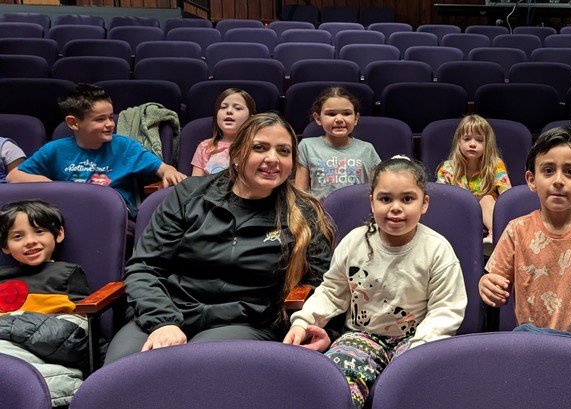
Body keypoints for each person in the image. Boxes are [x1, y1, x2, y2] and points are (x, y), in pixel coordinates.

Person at [104, 113, 335, 364]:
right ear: (236, 155)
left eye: (283, 151)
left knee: (197, 366)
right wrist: (164, 322)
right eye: (259, 148)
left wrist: (320, 330)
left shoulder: (303, 212)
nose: (272, 158)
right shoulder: (189, 194)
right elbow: (145, 267)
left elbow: (322, 284)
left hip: (245, 323)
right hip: (168, 310)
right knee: (122, 368)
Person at [284, 156, 466, 409]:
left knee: (417, 389)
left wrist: (417, 349)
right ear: (372, 202)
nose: (395, 207)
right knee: (335, 383)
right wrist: (304, 322)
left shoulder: (437, 250)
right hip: (362, 336)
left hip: (417, 341)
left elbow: (446, 310)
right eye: (385, 199)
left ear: (424, 203)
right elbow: (332, 292)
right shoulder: (354, 242)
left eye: (407, 199)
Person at [479, 127, 571, 343]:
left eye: (570, 172)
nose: (558, 180)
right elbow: (496, 282)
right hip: (529, 341)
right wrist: (486, 283)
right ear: (531, 179)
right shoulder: (516, 230)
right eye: (548, 170)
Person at [8, 83, 187, 218]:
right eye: (100, 119)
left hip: (115, 216)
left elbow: (162, 168)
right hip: (68, 213)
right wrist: (53, 186)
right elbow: (14, 176)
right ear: (73, 123)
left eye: (110, 117)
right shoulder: (54, 150)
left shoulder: (125, 147)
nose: (109, 124)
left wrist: (169, 171)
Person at [0, 200, 91, 407]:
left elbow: (79, 326)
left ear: (58, 234)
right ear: (5, 246)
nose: (30, 241)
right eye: (17, 236)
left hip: (49, 340)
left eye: (39, 232)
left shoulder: (67, 272)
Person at [435, 114, 512, 242]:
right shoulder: (447, 168)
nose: (472, 144)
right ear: (459, 142)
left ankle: (495, 236)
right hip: (460, 215)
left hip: (490, 216)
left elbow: (507, 195)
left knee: (486, 199)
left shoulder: (495, 164)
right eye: (467, 139)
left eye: (479, 140)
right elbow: (441, 199)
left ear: (487, 144)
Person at [296, 86, 381, 200]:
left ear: (356, 118)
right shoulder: (307, 146)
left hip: (358, 210)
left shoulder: (367, 149)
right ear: (318, 118)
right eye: (331, 114)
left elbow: (378, 189)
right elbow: (300, 192)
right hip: (319, 210)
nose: (339, 119)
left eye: (346, 113)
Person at [191, 88, 256, 176]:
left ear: (250, 118)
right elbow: (195, 181)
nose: (229, 111)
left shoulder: (255, 146)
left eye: (237, 108)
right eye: (223, 107)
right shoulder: (204, 147)